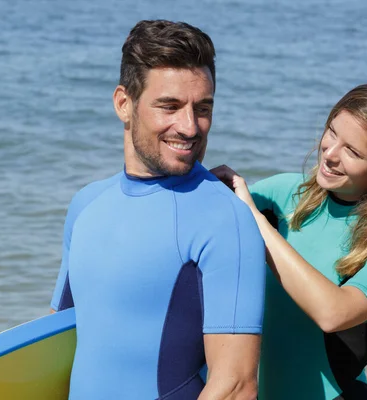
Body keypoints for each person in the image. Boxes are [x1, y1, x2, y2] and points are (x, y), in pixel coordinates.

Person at [50, 20, 266, 400]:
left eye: (203, 108)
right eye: (170, 106)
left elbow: (235, 386)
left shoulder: (224, 219)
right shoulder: (86, 204)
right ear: (124, 104)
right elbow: (55, 342)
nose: (190, 127)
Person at [211, 81, 367, 400]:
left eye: (352, 151)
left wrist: (253, 220)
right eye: (332, 132)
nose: (330, 153)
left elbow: (333, 312)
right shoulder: (285, 193)